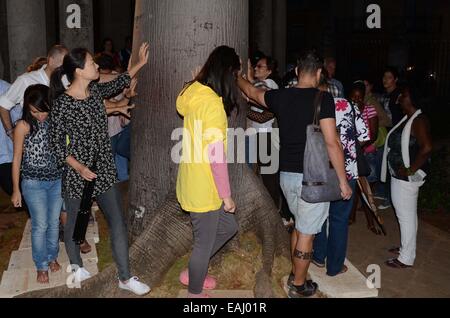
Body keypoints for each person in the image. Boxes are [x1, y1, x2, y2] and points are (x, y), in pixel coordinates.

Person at [238, 50, 352, 298]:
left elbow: (252, 93)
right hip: (313, 179)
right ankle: (299, 286)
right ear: (319, 74)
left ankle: (295, 274)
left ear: (298, 72)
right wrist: (343, 181)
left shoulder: (282, 96)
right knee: (307, 234)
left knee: (300, 229)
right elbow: (332, 143)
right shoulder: (324, 100)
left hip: (286, 176)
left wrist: (239, 77)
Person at [49, 43, 151, 295]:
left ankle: (125, 278)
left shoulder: (95, 92)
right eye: (92, 63)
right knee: (75, 223)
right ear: (79, 71)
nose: (96, 66)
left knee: (117, 222)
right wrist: (79, 167)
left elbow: (118, 84)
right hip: (77, 172)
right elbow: (56, 144)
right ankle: (76, 266)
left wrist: (140, 63)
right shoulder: (62, 104)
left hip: (104, 169)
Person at [176, 46, 239, 298]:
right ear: (227, 73)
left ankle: (194, 271)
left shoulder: (193, 92)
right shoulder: (213, 105)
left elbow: (183, 103)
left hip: (192, 179)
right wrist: (227, 195)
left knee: (229, 227)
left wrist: (195, 80)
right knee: (203, 245)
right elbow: (217, 158)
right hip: (206, 186)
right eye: (235, 74)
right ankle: (194, 292)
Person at [313, 77, 370, 276]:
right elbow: (364, 136)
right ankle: (335, 266)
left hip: (320, 170)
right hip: (347, 171)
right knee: (339, 219)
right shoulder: (351, 106)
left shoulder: (314, 105)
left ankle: (318, 257)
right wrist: (349, 150)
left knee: (320, 215)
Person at [11, 85, 63, 284]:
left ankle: (52, 257)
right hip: (33, 184)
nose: (40, 115)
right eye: (35, 111)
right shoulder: (23, 126)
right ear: (27, 108)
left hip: (57, 180)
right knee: (40, 225)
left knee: (53, 222)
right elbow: (16, 158)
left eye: (44, 110)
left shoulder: (56, 120)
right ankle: (41, 265)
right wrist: (16, 190)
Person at [381, 86, 432, 268]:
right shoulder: (408, 118)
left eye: (404, 95)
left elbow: (426, 148)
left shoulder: (418, 120)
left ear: (412, 98)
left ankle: (406, 257)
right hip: (399, 175)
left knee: (405, 216)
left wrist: (410, 169)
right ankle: (406, 247)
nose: (400, 98)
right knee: (408, 214)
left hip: (406, 178)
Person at [0, 45, 68, 139]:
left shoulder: (66, 80)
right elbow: (3, 105)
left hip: (59, 141)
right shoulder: (26, 80)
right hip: (34, 143)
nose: (66, 68)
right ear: (51, 61)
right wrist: (11, 134)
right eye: (63, 65)